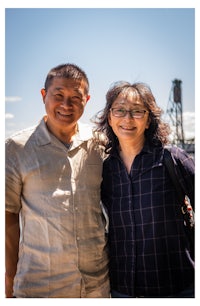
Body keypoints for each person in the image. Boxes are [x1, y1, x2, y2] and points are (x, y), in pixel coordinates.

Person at [5, 63, 110, 298]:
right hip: (40, 288)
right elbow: (8, 216)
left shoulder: (99, 144)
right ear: (44, 96)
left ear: (87, 99)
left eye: (75, 97)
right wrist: (9, 283)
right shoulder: (17, 148)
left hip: (97, 287)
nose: (66, 105)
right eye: (58, 95)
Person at [94, 81, 194, 298]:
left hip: (176, 289)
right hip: (121, 289)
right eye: (119, 110)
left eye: (137, 111)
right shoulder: (104, 170)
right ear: (109, 118)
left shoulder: (173, 159)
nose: (127, 119)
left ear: (149, 120)